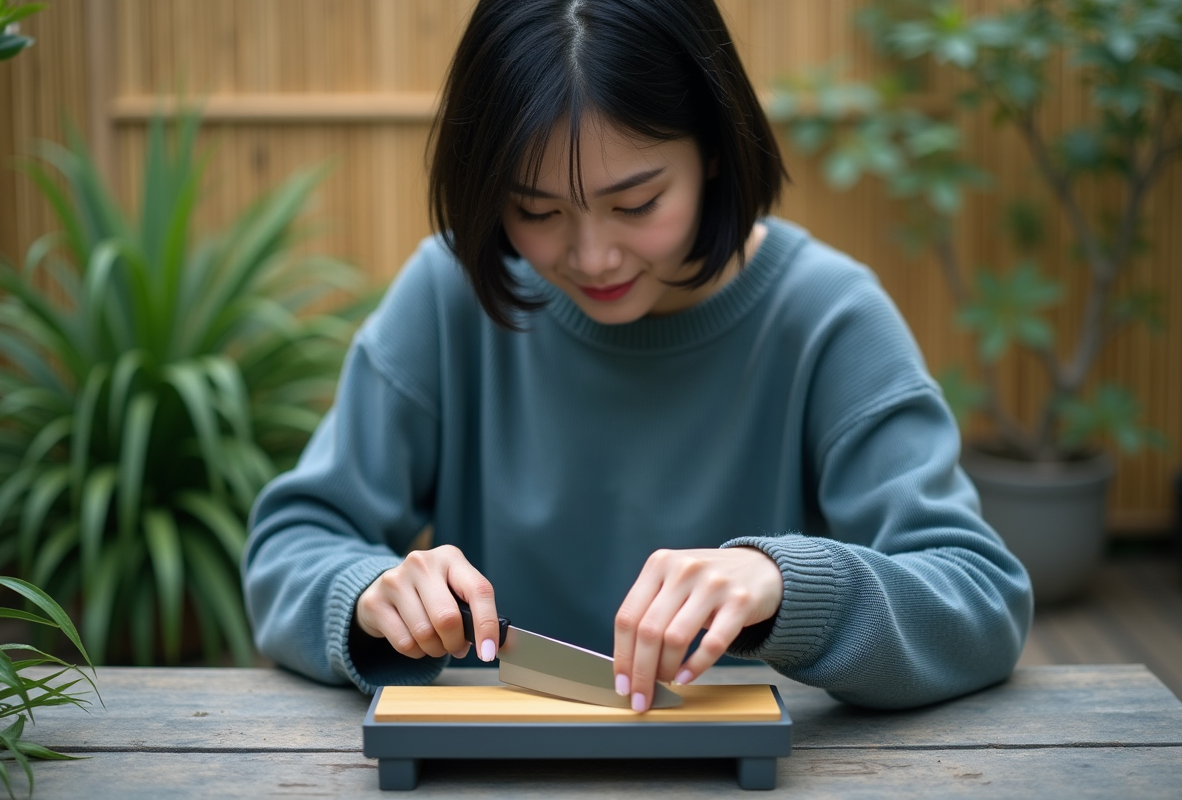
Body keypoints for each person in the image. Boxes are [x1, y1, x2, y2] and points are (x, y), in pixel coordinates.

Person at [242, 0, 1033, 713]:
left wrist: (788, 584)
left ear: (714, 152)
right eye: (535, 209)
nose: (593, 257)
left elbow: (979, 596)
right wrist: (367, 594)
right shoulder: (448, 297)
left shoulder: (827, 317)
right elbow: (292, 543)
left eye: (637, 203)